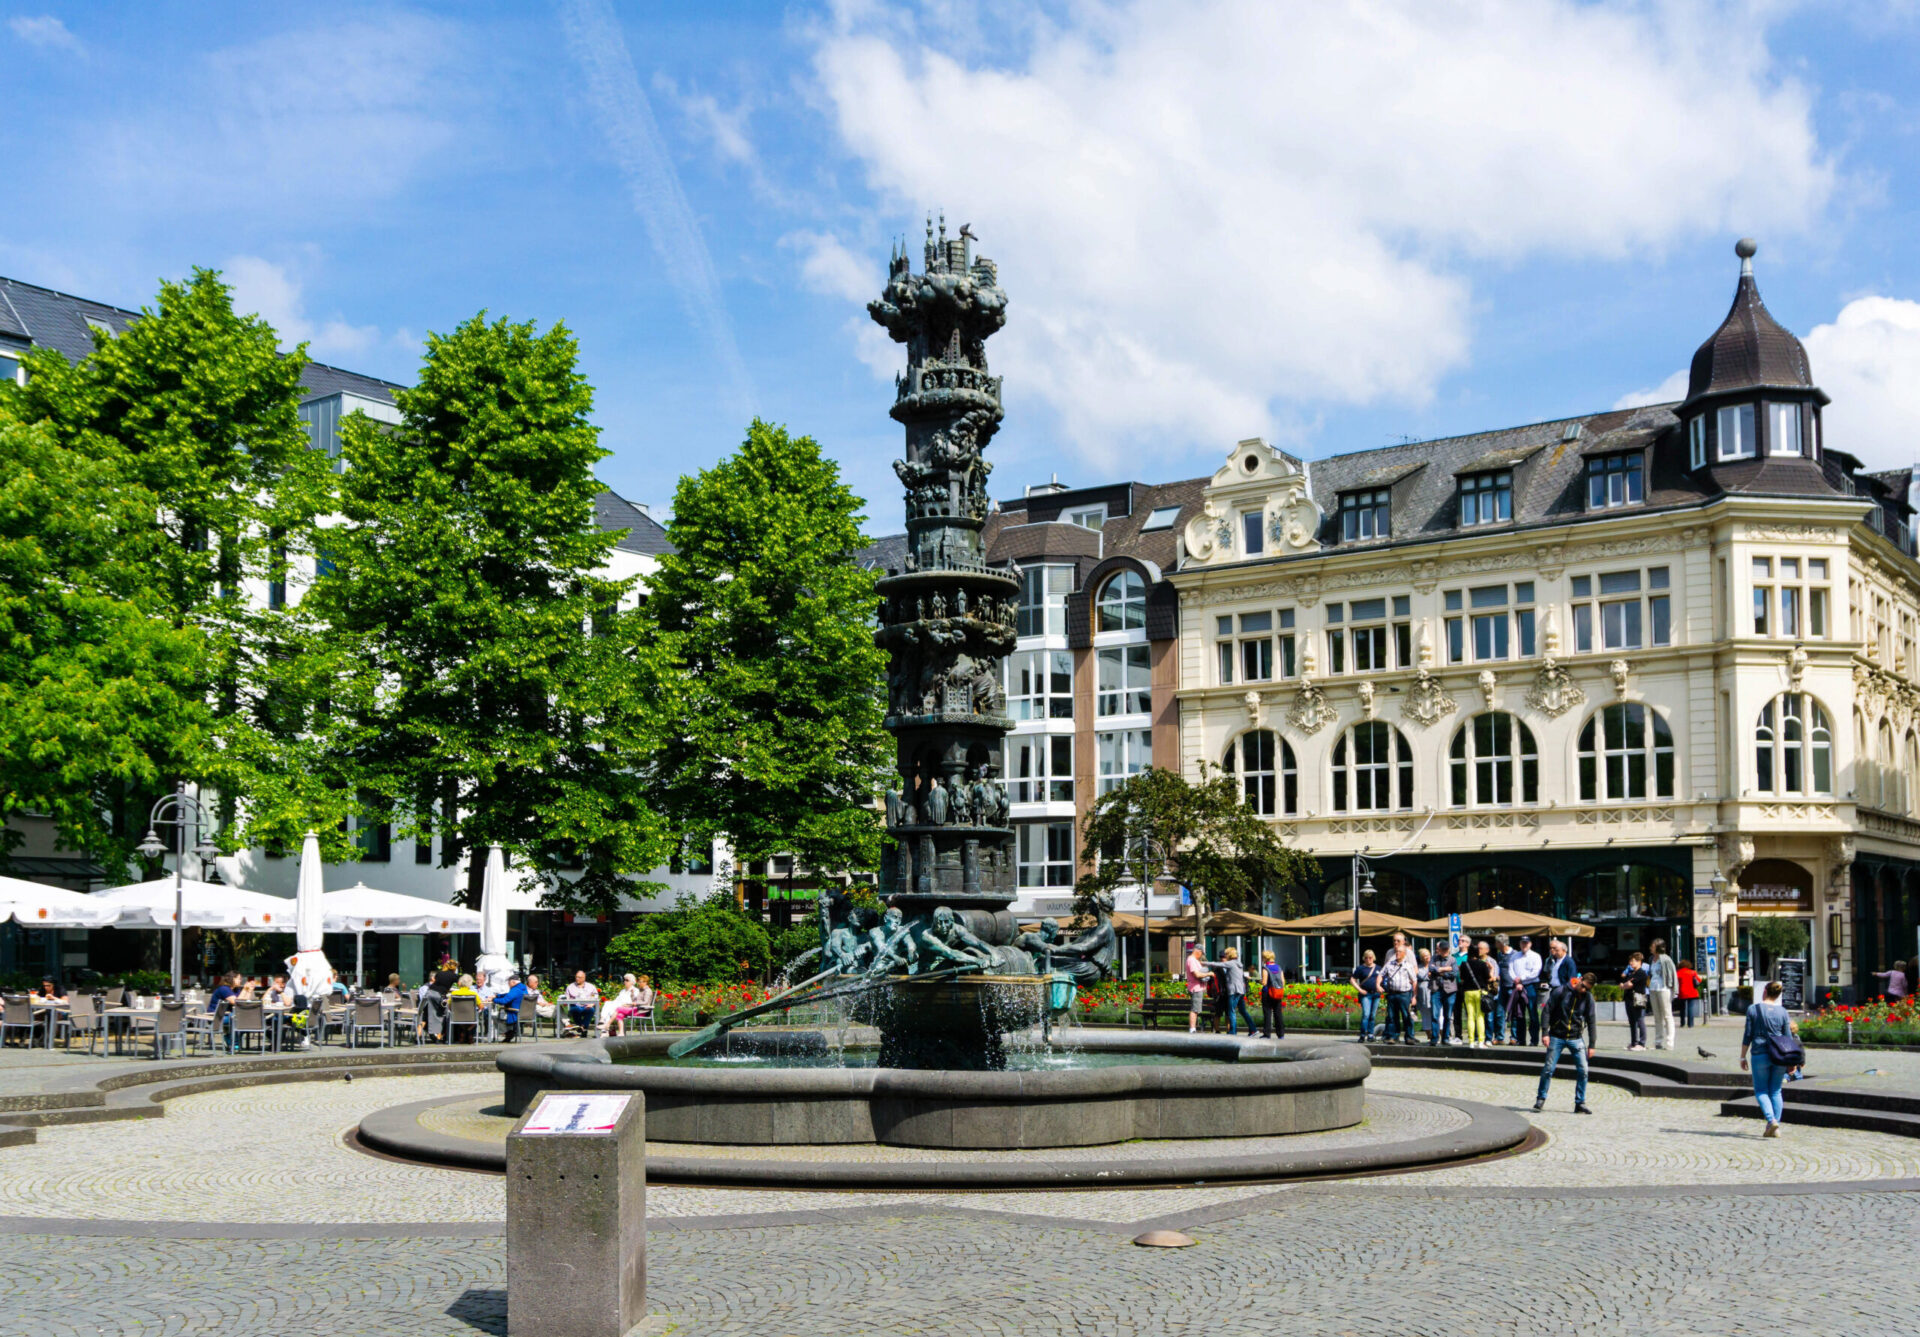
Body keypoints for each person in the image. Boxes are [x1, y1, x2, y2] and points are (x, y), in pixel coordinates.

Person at [1740, 979, 1802, 1137]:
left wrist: (1742, 1056)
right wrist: (1791, 1060)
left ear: (1765, 991)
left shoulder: (1753, 1009)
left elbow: (1748, 1035)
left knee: (1761, 1090)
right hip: (1779, 1055)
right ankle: (1775, 1126)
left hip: (1759, 1054)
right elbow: (1788, 1037)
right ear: (1778, 995)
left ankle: (1771, 1120)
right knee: (1776, 1091)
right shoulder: (1783, 1012)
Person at [1532, 969, 1595, 1114]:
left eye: (1587, 989)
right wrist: (1545, 1033)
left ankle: (1580, 1102)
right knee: (1548, 1069)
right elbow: (1547, 1011)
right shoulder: (1561, 991)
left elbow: (1591, 1020)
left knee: (1583, 1070)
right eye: (1583, 986)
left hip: (1576, 1037)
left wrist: (1592, 1044)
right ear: (1579, 980)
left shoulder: (1588, 997)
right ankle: (1541, 1099)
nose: (1584, 990)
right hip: (1557, 1036)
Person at [1201, 948, 1254, 1036]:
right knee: (1240, 1011)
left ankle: (1232, 1031)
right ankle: (1252, 1029)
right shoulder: (1238, 964)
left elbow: (1215, 964)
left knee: (1231, 1012)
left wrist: (1203, 963)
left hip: (1233, 991)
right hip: (1231, 992)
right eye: (1221, 957)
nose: (1223, 958)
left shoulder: (1231, 963)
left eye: (1224, 956)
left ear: (1228, 956)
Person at [1379, 934, 1418, 1044]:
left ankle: (1409, 1036)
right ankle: (1393, 1036)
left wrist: (1410, 981)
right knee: (1392, 1016)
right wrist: (1381, 984)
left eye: (1398, 941)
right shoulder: (1389, 953)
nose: (1395, 942)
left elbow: (1415, 969)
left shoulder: (1409, 953)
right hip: (1392, 991)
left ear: (1403, 942)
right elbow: (1384, 970)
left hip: (1405, 992)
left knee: (1406, 1015)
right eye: (1394, 940)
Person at [1460, 940, 1496, 1048]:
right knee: (1480, 1017)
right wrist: (1492, 969)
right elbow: (1489, 979)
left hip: (1468, 992)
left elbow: (1462, 979)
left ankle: (1471, 1042)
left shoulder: (1464, 964)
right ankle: (1481, 1042)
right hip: (1480, 992)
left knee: (1470, 1017)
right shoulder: (1482, 964)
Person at [1509, 935, 1543, 1046]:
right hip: (1517, 986)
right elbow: (1510, 970)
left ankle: (1534, 1040)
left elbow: (1535, 972)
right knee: (1519, 1014)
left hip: (1530, 986)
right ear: (1519, 944)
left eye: (1526, 943)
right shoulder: (1514, 956)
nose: (1524, 945)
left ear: (1530, 944)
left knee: (1533, 1013)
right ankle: (1521, 1039)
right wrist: (1516, 980)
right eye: (1522, 943)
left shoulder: (1535, 956)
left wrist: (1521, 978)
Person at [1647, 938, 1678, 1050]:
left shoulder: (1666, 959)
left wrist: (1675, 990)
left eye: (1653, 946)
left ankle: (1670, 1042)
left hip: (1664, 988)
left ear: (1658, 947)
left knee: (1667, 1015)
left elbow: (1673, 974)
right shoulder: (1651, 959)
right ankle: (1658, 1042)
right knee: (1657, 1016)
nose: (1651, 947)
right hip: (1653, 988)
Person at [1425, 944, 1457, 1047]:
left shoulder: (1453, 960)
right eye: (1442, 949)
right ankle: (1434, 1038)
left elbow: (1454, 974)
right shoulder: (1434, 958)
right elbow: (1430, 969)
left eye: (1446, 949)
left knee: (1447, 1016)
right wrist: (1445, 969)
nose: (1444, 951)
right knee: (1435, 1015)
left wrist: (1439, 971)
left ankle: (1445, 1038)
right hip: (1436, 990)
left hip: (1450, 991)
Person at [1619, 951, 1650, 1051]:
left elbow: (1629, 984)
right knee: (1632, 1021)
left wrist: (1624, 985)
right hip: (1629, 998)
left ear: (1639, 961)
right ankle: (1634, 1042)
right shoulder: (1632, 973)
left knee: (1640, 1020)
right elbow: (1626, 983)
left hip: (1638, 998)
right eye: (1630, 961)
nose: (1631, 963)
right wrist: (1625, 985)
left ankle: (1642, 1043)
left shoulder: (1641, 973)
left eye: (1633, 961)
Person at [1349, 950, 1381, 1042]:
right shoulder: (1361, 968)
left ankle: (1370, 1034)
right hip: (1366, 994)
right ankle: (1362, 1035)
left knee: (1372, 1015)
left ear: (1373, 958)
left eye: (1370, 957)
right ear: (1364, 958)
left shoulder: (1378, 968)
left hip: (1376, 994)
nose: (1368, 959)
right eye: (1366, 958)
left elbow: (1382, 978)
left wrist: (1381, 987)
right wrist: (1360, 990)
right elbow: (1352, 980)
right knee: (1366, 1014)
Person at [1489, 933, 1514, 1044]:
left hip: (1512, 986)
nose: (1495, 944)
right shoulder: (1500, 954)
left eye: (1496, 942)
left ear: (1501, 943)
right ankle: (1500, 1037)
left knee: (1513, 1013)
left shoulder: (1514, 954)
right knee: (1499, 1012)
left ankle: (1514, 1038)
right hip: (1502, 987)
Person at [1184, 945, 1213, 1035]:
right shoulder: (1192, 960)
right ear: (1198, 951)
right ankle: (1192, 1029)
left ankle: (1193, 1028)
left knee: (1196, 1009)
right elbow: (1197, 974)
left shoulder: (1193, 960)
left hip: (1197, 987)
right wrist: (1209, 973)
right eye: (1201, 953)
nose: (1201, 955)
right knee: (1195, 1009)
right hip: (1195, 988)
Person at [1256, 950, 1286, 1039]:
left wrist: (1260, 981)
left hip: (1267, 993)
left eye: (1263, 957)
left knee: (1267, 1013)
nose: (1262, 959)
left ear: (1266, 958)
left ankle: (1267, 1033)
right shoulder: (1279, 968)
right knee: (1278, 1013)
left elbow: (1264, 982)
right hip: (1277, 992)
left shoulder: (1266, 968)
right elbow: (1283, 981)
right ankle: (1281, 1034)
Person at [492, 973, 531, 1041]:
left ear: (513, 982)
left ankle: (508, 1032)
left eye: (508, 982)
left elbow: (504, 1001)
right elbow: (509, 995)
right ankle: (510, 1032)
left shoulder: (515, 990)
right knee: (500, 1014)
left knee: (493, 1016)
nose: (508, 984)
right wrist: (497, 996)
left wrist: (493, 1000)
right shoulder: (523, 988)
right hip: (524, 1014)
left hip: (514, 1013)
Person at [562, 971, 600, 1036]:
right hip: (575, 1005)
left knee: (591, 1010)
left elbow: (596, 996)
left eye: (579, 977)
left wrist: (592, 1004)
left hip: (587, 1005)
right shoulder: (570, 987)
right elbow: (566, 998)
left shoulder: (591, 986)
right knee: (576, 1009)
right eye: (576, 977)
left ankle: (582, 1027)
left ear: (584, 978)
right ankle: (583, 1028)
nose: (577, 979)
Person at [1676, 958, 1701, 1027]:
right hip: (1692, 992)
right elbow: (1699, 980)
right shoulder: (1692, 972)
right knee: (1690, 1008)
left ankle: (1682, 1023)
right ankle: (1690, 1024)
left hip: (1682, 992)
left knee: (1682, 1008)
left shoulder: (1678, 973)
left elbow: (1675, 982)